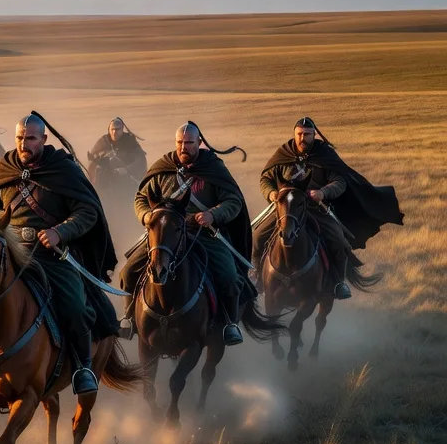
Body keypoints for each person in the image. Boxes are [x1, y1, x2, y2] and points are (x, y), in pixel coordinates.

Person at [0, 113, 119, 395]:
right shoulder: (5, 167)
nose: (23, 144)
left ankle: (82, 368)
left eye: (30, 138)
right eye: (19, 137)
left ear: (43, 139)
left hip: (50, 255)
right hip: (6, 254)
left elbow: (87, 211)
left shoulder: (63, 170)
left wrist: (60, 232)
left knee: (76, 307)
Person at [119, 122, 253, 344]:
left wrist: (213, 214)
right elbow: (141, 198)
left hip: (203, 233)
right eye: (180, 143)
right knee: (127, 272)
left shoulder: (214, 169)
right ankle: (128, 319)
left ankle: (229, 323)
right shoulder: (163, 167)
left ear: (199, 143)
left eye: (189, 143)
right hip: (164, 234)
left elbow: (233, 200)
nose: (183, 147)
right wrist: (146, 217)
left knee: (229, 276)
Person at [254, 117, 403, 299]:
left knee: (339, 240)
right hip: (288, 209)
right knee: (258, 236)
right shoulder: (284, 154)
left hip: (317, 209)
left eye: (307, 135)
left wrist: (323, 193)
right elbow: (266, 179)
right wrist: (271, 194)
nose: (303, 138)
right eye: (299, 134)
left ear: (314, 134)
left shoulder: (324, 154)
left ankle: (339, 283)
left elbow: (340, 181)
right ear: (294, 134)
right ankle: (257, 279)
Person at [88, 118, 147, 189]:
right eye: (112, 129)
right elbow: (92, 160)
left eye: (117, 129)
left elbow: (141, 160)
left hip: (127, 177)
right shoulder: (104, 141)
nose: (114, 132)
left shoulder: (129, 141)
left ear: (122, 129)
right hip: (106, 177)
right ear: (109, 130)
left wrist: (127, 170)